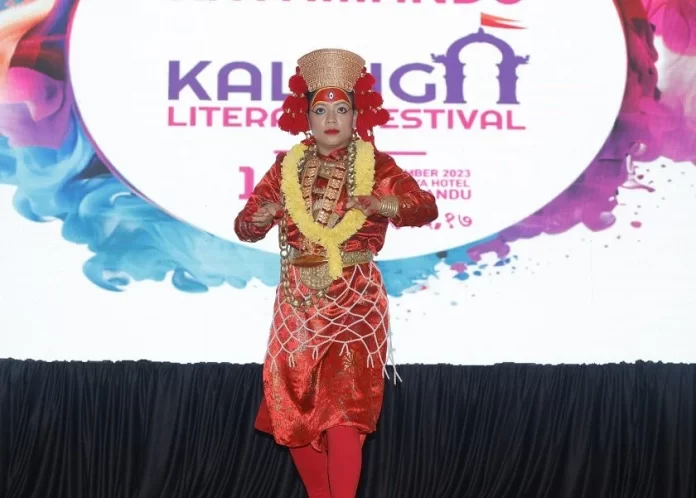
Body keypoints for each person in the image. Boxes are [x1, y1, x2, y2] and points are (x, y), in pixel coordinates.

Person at [234, 48, 438, 498]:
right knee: (292, 408)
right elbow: (244, 225)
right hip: (298, 301)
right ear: (305, 117)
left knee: (346, 410)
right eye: (321, 110)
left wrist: (383, 203)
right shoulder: (285, 167)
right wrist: (258, 218)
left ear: (356, 117)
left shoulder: (378, 165)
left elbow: (425, 206)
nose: (331, 119)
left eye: (341, 110)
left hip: (355, 297)